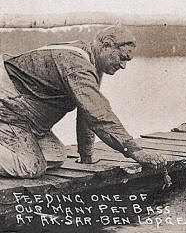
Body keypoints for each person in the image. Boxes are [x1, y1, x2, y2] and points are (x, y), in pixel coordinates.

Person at [0, 25, 169, 181]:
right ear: (106, 46)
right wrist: (135, 151)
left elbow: (86, 111)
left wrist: (86, 154)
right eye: (122, 58)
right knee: (31, 167)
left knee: (56, 154)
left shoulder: (91, 61)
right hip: (9, 111)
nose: (123, 66)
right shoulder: (77, 65)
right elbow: (98, 115)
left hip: (26, 121)